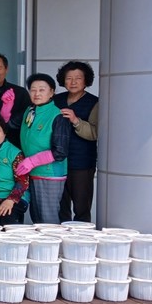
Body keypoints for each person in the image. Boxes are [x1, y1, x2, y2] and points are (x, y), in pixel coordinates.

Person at [16, 73, 70, 225]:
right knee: (37, 218)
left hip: (49, 174)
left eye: (42, 90)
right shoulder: (30, 111)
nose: (37, 94)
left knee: (48, 220)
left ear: (51, 92)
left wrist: (32, 161)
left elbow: (60, 152)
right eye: (33, 90)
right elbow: (9, 125)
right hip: (32, 173)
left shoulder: (58, 115)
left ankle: (54, 242)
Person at [54, 61, 99, 223]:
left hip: (82, 163)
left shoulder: (94, 102)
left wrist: (76, 120)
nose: (73, 82)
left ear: (86, 81)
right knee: (60, 206)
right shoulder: (55, 100)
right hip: (57, 161)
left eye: (78, 78)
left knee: (81, 208)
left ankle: (82, 237)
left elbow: (95, 133)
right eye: (69, 78)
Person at [0, 115, 30, 226]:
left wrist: (11, 200)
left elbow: (23, 181)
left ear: (4, 133)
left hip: (12, 195)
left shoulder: (14, 153)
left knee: (8, 217)